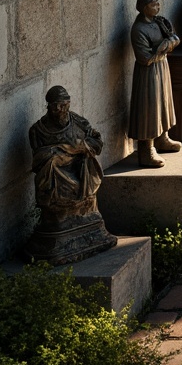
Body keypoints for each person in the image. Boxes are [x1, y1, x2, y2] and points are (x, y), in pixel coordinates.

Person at [27, 86, 116, 263]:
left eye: (64, 105)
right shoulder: (38, 130)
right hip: (55, 172)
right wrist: (57, 153)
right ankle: (57, 221)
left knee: (82, 175)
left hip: (79, 168)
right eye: (56, 106)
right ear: (48, 106)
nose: (60, 110)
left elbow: (96, 142)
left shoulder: (79, 123)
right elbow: (37, 160)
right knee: (50, 165)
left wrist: (82, 147)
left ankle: (84, 217)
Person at [128, 0, 182, 168]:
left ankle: (162, 138)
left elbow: (173, 37)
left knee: (164, 102)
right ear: (144, 8)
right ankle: (146, 150)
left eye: (158, 3)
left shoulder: (159, 22)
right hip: (147, 73)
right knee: (149, 107)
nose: (157, 7)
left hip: (162, 67)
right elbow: (144, 57)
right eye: (153, 5)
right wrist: (166, 45)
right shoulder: (138, 29)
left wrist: (167, 44)